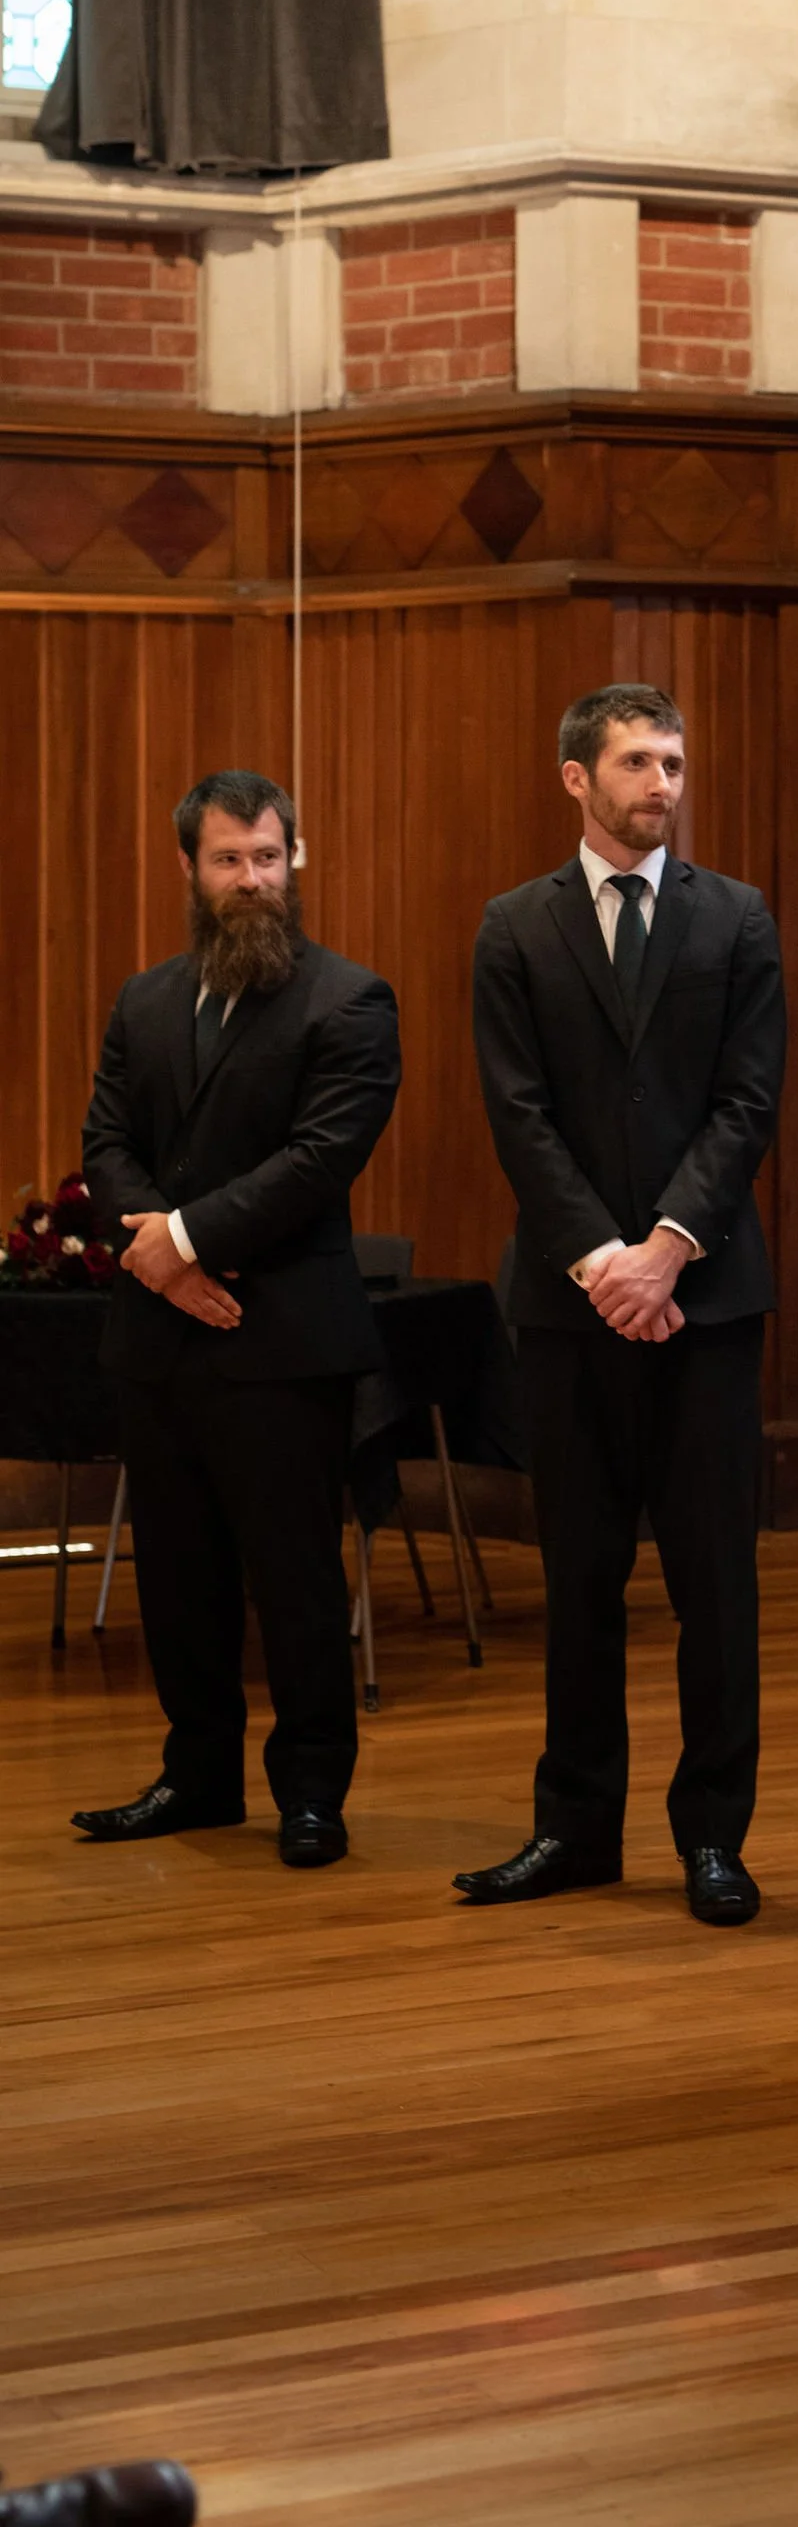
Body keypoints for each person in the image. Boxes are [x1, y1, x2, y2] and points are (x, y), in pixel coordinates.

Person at [458, 684, 785, 1919]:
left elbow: (748, 1103)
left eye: (674, 762)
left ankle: (714, 1837)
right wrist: (601, 1259)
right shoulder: (511, 928)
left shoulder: (736, 918)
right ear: (575, 780)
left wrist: (664, 1250)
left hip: (706, 1296)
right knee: (581, 1574)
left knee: (714, 1581)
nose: (662, 783)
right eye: (637, 762)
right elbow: (516, 1112)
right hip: (569, 1304)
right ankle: (575, 1830)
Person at [75, 770, 401, 1870]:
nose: (254, 880)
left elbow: (317, 1163)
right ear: (190, 869)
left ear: (291, 860)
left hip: (283, 1345)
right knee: (178, 1574)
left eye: (270, 857)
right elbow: (104, 1143)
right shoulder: (145, 999)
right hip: (161, 1341)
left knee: (295, 1580)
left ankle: (312, 1792)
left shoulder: (349, 1000)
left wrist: (186, 1241)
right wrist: (162, 1268)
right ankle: (198, 1775)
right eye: (230, 860)